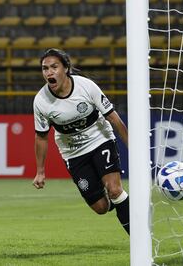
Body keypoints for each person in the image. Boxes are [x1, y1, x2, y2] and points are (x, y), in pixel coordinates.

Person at [32, 48, 130, 235]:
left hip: (100, 139)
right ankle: (121, 203)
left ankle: (140, 243)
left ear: (66, 68)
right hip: (73, 152)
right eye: (45, 68)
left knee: (115, 189)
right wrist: (40, 172)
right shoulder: (41, 101)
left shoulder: (86, 86)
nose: (49, 72)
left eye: (54, 67)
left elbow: (114, 118)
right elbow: (41, 137)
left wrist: (133, 147)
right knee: (101, 208)